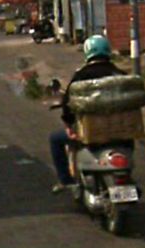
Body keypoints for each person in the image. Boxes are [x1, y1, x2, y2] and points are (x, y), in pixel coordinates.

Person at [49, 35, 126, 194]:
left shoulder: (81, 76)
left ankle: (65, 180)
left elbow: (68, 103)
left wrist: (68, 124)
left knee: (55, 139)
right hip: (120, 131)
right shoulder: (120, 74)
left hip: (91, 131)